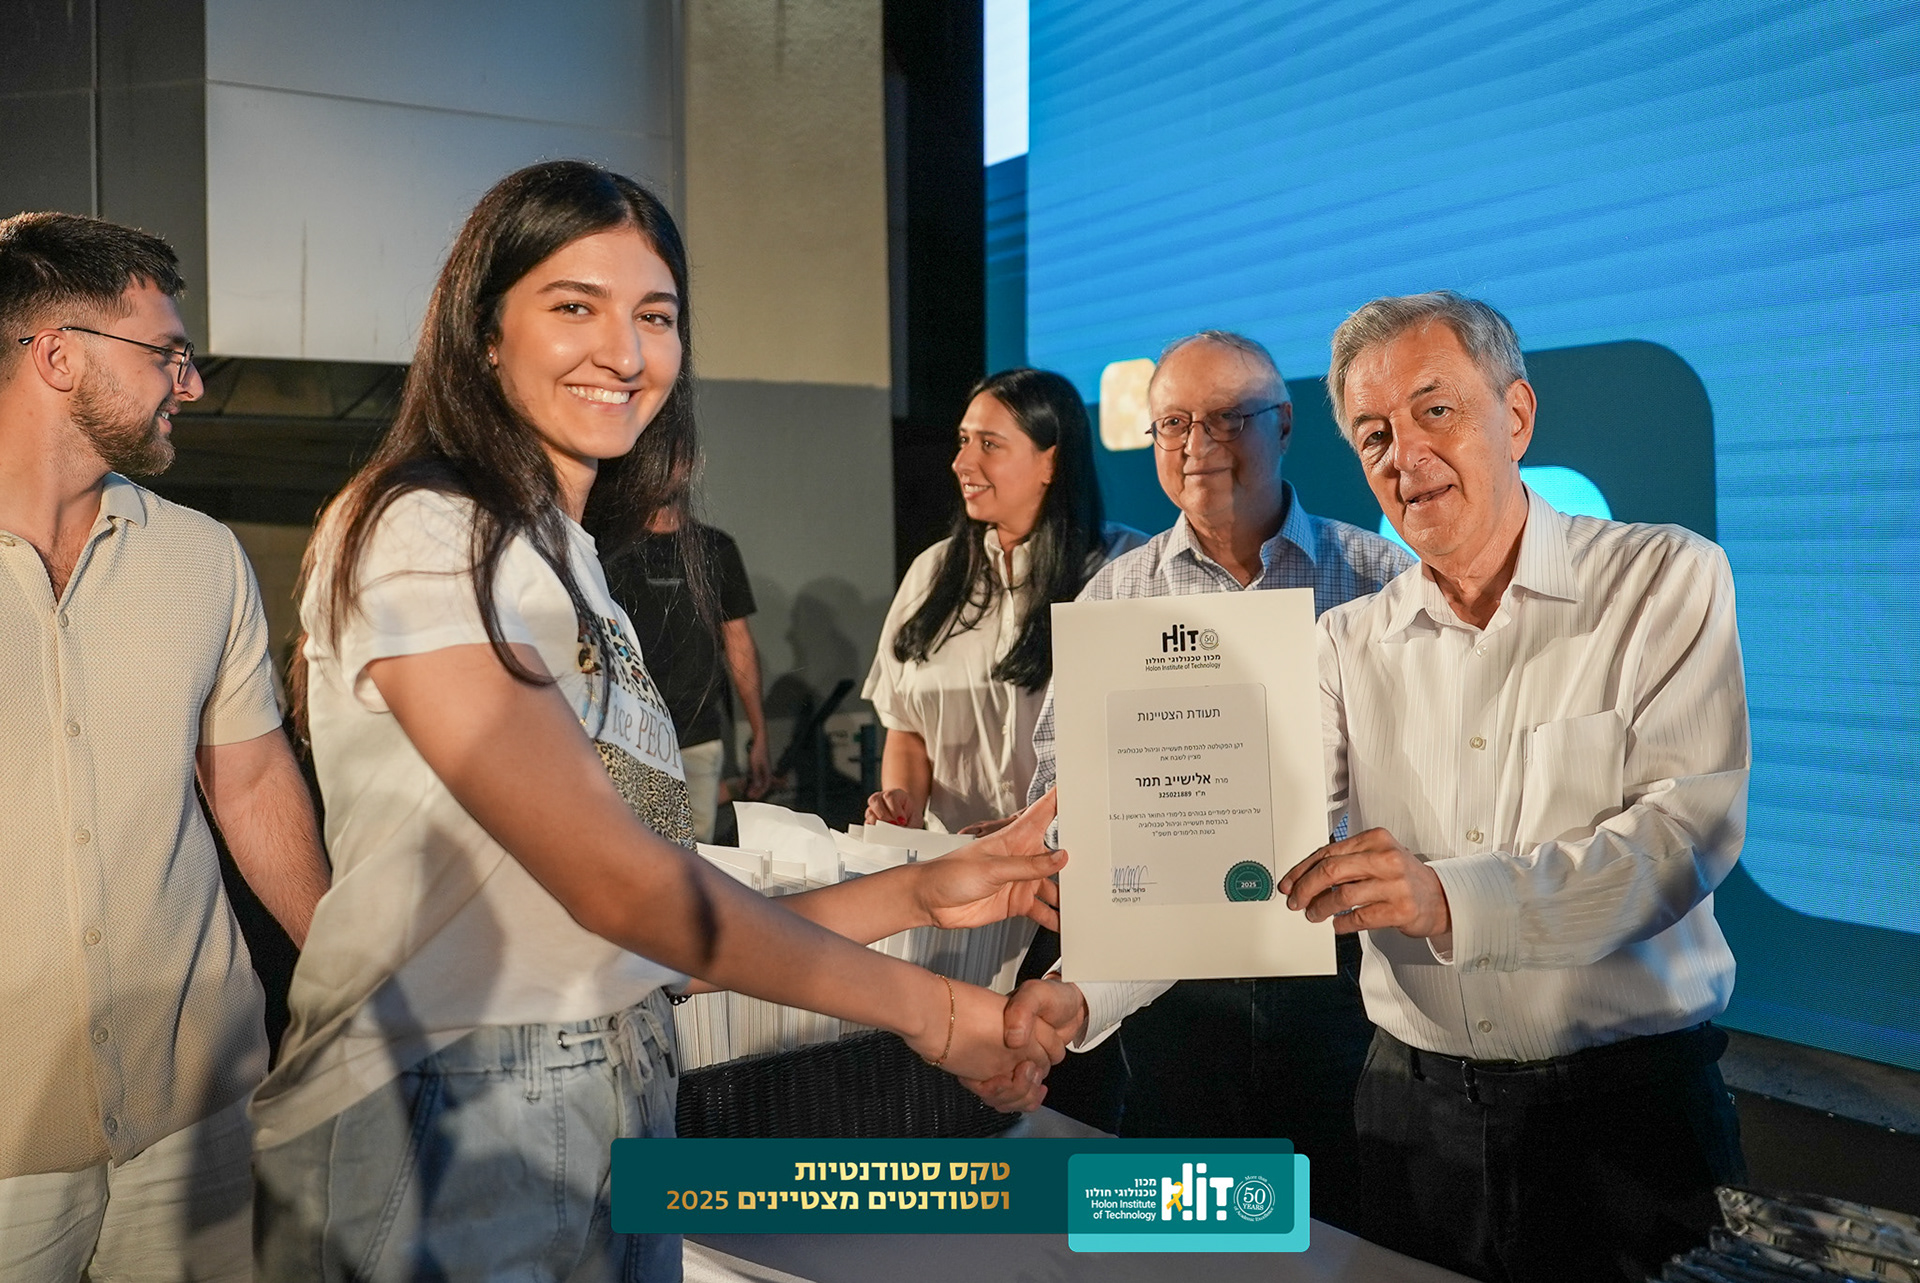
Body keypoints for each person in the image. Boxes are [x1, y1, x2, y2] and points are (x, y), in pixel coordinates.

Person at [249, 161, 1076, 1282]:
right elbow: (619, 885)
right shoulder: (426, 525)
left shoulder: (571, 558)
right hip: (451, 1104)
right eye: (574, 305)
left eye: (655, 315)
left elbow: (653, 928)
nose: (624, 351)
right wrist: (934, 1013)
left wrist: (925, 891)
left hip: (622, 1084)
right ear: (484, 331)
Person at [1003, 294, 1749, 1282]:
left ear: (1516, 415)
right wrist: (1078, 992)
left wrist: (1448, 896)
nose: (1406, 455)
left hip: (1626, 1122)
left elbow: (1683, 836)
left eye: (1436, 410)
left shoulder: (1662, 579)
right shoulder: (1347, 640)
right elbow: (1239, 848)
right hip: (1414, 1122)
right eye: (1375, 433)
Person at [980, 330, 1410, 1228]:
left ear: (1283, 424)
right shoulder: (1115, 596)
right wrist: (1064, 848)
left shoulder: (1380, 578)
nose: (1195, 443)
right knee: (1189, 1217)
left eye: (1227, 418)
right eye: (1172, 422)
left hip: (1336, 968)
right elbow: (1062, 772)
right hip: (1165, 974)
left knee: (1337, 1217)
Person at [0, 212, 331, 1280]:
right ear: (58, 354)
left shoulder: (202, 557)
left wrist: (345, 968)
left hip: (201, 1110)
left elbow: (251, 779)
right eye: (166, 353)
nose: (188, 384)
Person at [864, 367, 1142, 833]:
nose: (961, 462)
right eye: (963, 440)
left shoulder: (1127, 568)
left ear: (1051, 462)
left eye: (989, 444)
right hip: (956, 864)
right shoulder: (930, 573)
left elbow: (1149, 739)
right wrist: (901, 805)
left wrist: (1031, 828)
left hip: (1080, 860)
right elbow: (907, 729)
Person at [604, 501, 771, 842]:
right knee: (632, 848)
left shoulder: (715, 548)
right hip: (627, 730)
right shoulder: (610, 546)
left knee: (694, 853)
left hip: (697, 731)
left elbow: (738, 640)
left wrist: (759, 733)